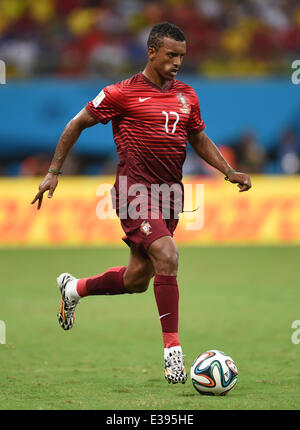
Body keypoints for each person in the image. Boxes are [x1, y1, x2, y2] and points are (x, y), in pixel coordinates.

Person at [31, 22, 251, 384]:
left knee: (137, 280)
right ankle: (173, 353)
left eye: (182, 55)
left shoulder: (187, 95)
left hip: (170, 197)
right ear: (151, 52)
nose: (177, 62)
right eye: (170, 55)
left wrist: (229, 171)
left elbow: (198, 137)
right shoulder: (121, 93)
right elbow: (75, 124)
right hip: (134, 193)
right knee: (168, 255)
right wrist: (54, 171)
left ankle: (73, 289)